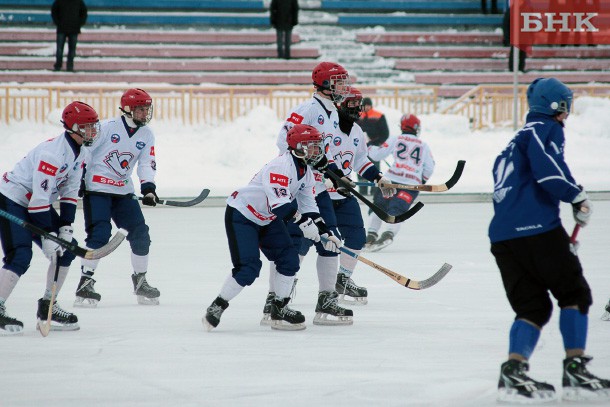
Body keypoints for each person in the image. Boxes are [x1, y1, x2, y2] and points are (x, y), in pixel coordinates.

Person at [489, 77, 610, 402]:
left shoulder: (511, 145)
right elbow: (549, 170)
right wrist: (575, 196)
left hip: (503, 238)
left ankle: (513, 372)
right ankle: (575, 370)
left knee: (533, 306)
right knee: (575, 292)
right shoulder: (545, 129)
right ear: (556, 105)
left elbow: (533, 176)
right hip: (537, 228)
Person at [203, 124, 342, 331]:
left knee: (289, 259)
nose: (316, 150)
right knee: (248, 269)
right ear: (297, 146)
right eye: (311, 146)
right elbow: (282, 206)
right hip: (244, 214)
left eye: (317, 146)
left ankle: (279, 306)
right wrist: (305, 224)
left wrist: (324, 231)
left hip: (267, 218)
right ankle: (218, 305)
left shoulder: (306, 172)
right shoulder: (281, 166)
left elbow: (309, 205)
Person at [261, 61, 368, 324]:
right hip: (299, 187)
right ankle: (276, 300)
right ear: (325, 84)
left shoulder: (331, 112)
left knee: (331, 240)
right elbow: (283, 141)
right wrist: (313, 167)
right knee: (293, 246)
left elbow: (324, 153)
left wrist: (336, 175)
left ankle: (326, 301)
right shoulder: (307, 109)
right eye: (340, 81)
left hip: (318, 187)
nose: (345, 86)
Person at [0, 101, 99, 334]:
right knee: (21, 255)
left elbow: (70, 193)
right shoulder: (52, 153)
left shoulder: (82, 152)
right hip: (13, 200)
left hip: (36, 203)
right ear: (74, 127)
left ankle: (48, 305)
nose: (93, 131)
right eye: (87, 127)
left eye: (94, 126)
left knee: (68, 248)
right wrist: (48, 236)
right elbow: (39, 198)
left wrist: (64, 229)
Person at [75, 88, 161, 308]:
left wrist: (148, 188)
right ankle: (85, 282)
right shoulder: (105, 127)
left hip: (123, 192)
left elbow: (146, 163)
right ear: (128, 109)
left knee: (141, 234)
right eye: (140, 109)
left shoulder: (146, 134)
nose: (145, 113)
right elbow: (85, 154)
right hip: (98, 190)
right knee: (100, 234)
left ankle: (140, 280)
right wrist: (79, 180)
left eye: (147, 109)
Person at [323, 87, 396, 305]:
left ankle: (343, 279)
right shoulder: (326, 127)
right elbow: (318, 159)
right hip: (319, 194)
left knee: (356, 237)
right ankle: (285, 285)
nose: (357, 109)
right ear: (340, 106)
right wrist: (332, 178)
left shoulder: (356, 131)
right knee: (306, 243)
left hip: (344, 194)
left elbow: (361, 160)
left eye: (359, 105)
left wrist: (378, 177)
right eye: (352, 105)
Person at [365, 113, 434, 252]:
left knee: (378, 207)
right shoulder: (424, 145)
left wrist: (368, 146)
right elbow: (430, 167)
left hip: (390, 179)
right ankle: (389, 234)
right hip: (410, 184)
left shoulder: (396, 139)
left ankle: (371, 234)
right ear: (415, 128)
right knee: (397, 209)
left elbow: (377, 154)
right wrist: (421, 180)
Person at [356, 97, 389, 195]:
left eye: (368, 105)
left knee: (374, 170)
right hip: (360, 148)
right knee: (361, 169)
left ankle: (375, 193)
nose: (366, 108)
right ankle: (363, 193)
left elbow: (385, 133)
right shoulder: (357, 116)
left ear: (371, 106)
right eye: (364, 106)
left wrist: (376, 143)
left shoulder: (378, 116)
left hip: (374, 148)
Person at [51, 0, 88, 72]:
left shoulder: (78, 1)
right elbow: (54, 11)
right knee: (60, 49)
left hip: (73, 29)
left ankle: (69, 66)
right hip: (63, 28)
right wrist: (57, 22)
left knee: (71, 49)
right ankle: (58, 65)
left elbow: (84, 12)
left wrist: (79, 23)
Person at [502, 0, 526, 72]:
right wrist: (507, 37)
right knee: (514, 52)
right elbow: (506, 25)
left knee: (522, 52)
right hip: (514, 35)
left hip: (523, 35)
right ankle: (512, 68)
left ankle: (521, 68)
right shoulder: (511, 11)